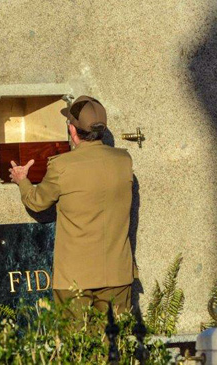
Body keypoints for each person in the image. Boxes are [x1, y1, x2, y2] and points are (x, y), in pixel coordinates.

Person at [9, 95, 134, 319]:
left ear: (73, 131)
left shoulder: (62, 166)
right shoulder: (124, 161)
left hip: (76, 279)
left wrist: (22, 180)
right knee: (116, 347)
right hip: (118, 273)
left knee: (77, 348)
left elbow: (36, 202)